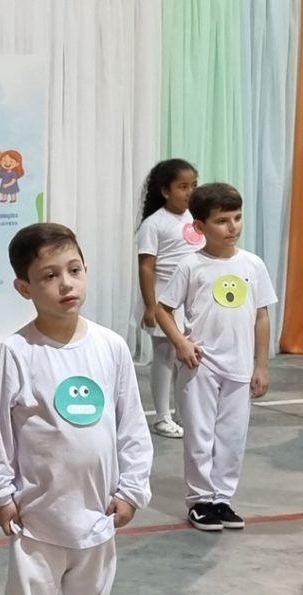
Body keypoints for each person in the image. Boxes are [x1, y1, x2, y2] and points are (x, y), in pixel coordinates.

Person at [0, 223, 152, 595]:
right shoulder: (17, 352)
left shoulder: (111, 347)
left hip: (97, 513)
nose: (66, 284)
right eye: (49, 276)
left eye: (74, 270)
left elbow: (131, 424)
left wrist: (132, 489)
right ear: (24, 287)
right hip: (37, 516)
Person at [156, 183, 277, 532]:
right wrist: (181, 343)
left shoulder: (253, 264)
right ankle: (200, 500)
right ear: (199, 226)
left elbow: (261, 316)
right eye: (222, 221)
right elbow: (163, 309)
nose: (232, 227)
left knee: (232, 437)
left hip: (239, 367)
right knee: (200, 436)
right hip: (200, 366)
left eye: (237, 218)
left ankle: (222, 498)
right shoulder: (191, 265)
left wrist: (261, 365)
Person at [135, 158, 200, 438]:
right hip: (163, 300)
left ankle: (183, 413)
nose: (189, 192)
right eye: (182, 186)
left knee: (186, 357)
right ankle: (162, 417)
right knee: (165, 355)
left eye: (193, 185)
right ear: (165, 191)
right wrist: (151, 305)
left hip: (191, 301)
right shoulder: (154, 224)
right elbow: (146, 267)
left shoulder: (195, 218)